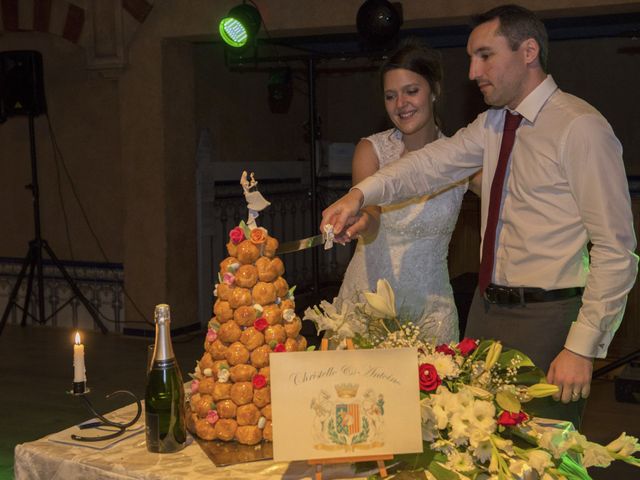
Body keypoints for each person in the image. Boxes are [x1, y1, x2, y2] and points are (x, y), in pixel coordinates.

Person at [321, 4, 637, 427]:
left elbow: (617, 251)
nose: (473, 71)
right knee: (476, 447)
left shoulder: (579, 127)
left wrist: (582, 346)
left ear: (528, 52)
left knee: (543, 453)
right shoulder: (491, 125)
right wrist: (360, 194)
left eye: (484, 55)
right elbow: (426, 166)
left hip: (546, 317)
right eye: (471, 58)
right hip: (484, 311)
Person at [336, 40, 480, 345]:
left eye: (411, 91)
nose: (401, 103)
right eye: (391, 96)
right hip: (368, 302)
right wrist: (361, 222)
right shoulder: (370, 150)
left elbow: (508, 201)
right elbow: (372, 212)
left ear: (435, 90)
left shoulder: (460, 157)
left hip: (430, 312)